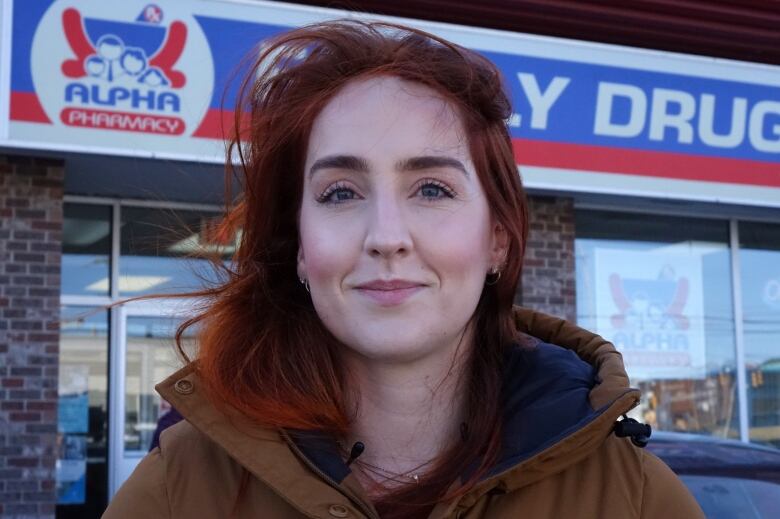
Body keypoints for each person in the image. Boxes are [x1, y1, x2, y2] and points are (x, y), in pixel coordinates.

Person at [103, 20, 704, 519]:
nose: (386, 237)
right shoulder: (178, 490)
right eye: (340, 193)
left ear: (497, 239)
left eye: (433, 189)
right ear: (300, 250)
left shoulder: (635, 499)